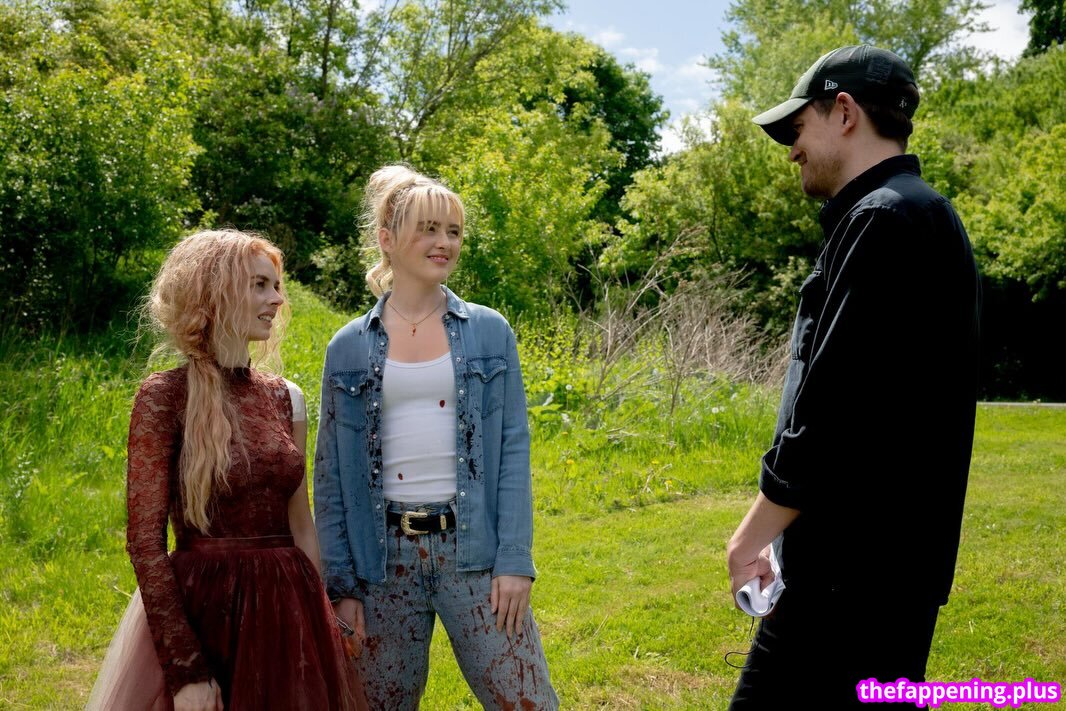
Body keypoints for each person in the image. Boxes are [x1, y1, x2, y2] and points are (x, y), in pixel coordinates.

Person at [725, 45, 981, 709]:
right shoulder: (923, 213)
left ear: (843, 112)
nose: (792, 151)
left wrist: (752, 535)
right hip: (888, 574)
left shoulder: (883, 220)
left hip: (847, 582)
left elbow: (832, 412)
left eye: (797, 128)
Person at [87, 230, 367, 711]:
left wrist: (318, 619)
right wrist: (185, 668)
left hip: (288, 605)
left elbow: (301, 523)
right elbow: (145, 544)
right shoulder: (164, 397)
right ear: (214, 291)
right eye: (260, 285)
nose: (277, 299)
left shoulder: (287, 397)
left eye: (276, 286)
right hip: (206, 607)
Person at [313, 165, 559, 710]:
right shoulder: (347, 346)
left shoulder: (490, 331)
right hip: (381, 563)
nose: (443, 242)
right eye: (428, 229)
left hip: (474, 552)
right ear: (387, 239)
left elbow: (512, 450)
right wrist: (342, 586)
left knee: (527, 701)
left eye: (453, 231)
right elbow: (329, 478)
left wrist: (514, 560)